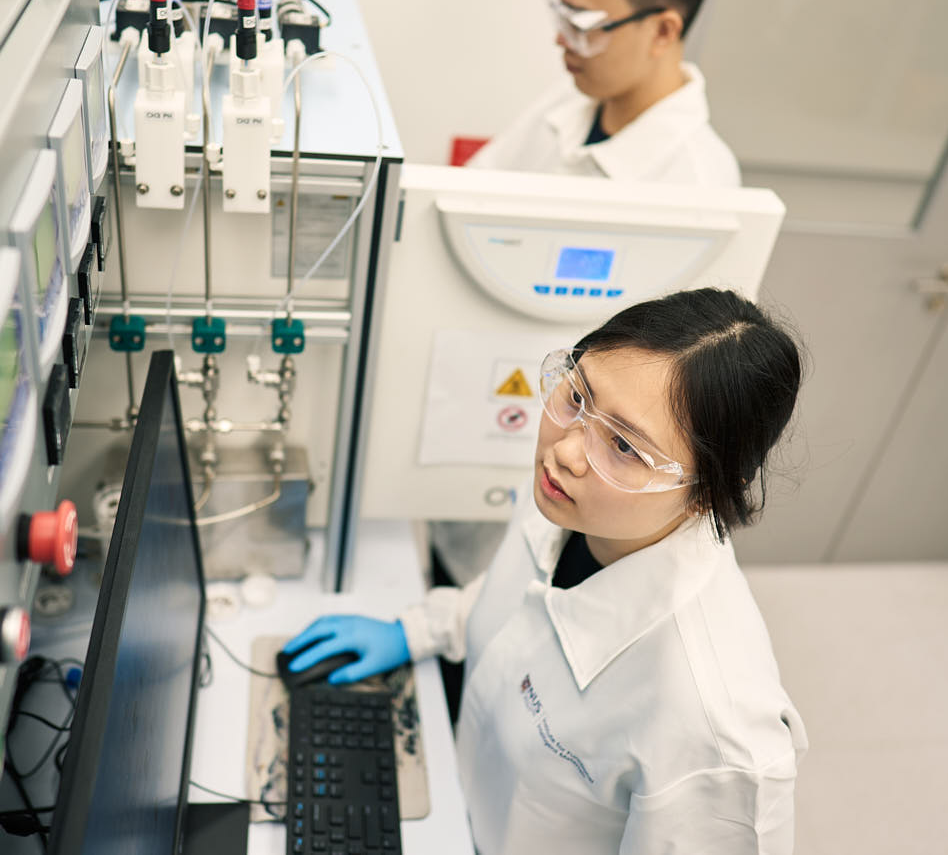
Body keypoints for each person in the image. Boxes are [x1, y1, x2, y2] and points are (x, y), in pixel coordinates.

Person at [281, 289, 807, 854]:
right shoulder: (576, 503)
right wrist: (420, 629)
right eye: (578, 394)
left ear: (707, 493)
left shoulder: (717, 736)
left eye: (625, 446)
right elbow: (525, 601)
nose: (567, 450)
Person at [467, 0, 740, 187]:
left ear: (663, 31)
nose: (560, 40)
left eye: (582, 24)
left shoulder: (698, 181)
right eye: (560, 12)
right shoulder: (569, 98)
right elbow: (469, 188)